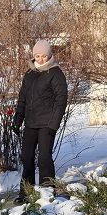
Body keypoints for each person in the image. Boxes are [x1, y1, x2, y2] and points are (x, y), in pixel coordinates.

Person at [12, 39, 68, 202]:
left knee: (44, 158)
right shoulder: (30, 74)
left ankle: (47, 192)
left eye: (44, 56)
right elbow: (22, 97)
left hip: (47, 124)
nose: (41, 59)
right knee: (26, 157)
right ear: (33, 56)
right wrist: (18, 119)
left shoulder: (55, 73)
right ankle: (26, 192)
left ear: (49, 55)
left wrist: (54, 124)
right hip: (30, 123)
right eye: (37, 56)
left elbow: (61, 100)